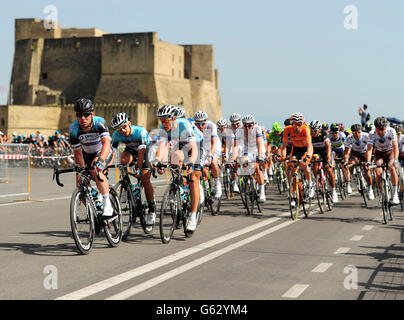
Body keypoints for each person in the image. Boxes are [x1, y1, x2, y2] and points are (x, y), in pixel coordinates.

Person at [154, 105, 203, 232]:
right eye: (161, 120)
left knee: (193, 178)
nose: (163, 123)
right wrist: (158, 162)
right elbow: (163, 148)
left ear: (174, 118)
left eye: (166, 120)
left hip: (195, 144)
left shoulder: (184, 125)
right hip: (179, 144)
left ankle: (193, 215)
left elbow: (194, 149)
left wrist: (191, 163)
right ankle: (177, 188)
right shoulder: (162, 128)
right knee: (174, 159)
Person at [69, 98, 115, 217]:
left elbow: (106, 144)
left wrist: (100, 160)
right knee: (80, 182)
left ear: (92, 114)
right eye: (79, 115)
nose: (83, 118)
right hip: (86, 154)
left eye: (86, 114)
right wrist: (81, 170)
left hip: (103, 151)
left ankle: (107, 204)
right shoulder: (74, 130)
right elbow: (78, 153)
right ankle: (94, 208)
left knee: (96, 169)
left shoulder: (99, 123)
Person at [110, 112, 156, 226]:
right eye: (119, 130)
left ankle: (152, 209)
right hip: (130, 150)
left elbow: (141, 153)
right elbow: (114, 153)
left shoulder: (140, 132)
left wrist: (139, 170)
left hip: (145, 151)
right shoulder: (117, 136)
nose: (123, 131)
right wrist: (106, 165)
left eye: (124, 127)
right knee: (123, 161)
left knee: (145, 178)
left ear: (129, 123)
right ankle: (126, 186)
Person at [280, 113, 314, 203]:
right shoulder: (287, 130)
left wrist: (307, 156)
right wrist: (283, 157)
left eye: (300, 124)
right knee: (291, 167)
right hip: (295, 149)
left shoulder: (305, 129)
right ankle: (294, 192)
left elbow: (310, 145)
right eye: (295, 124)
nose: (297, 127)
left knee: (304, 165)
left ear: (302, 123)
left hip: (305, 149)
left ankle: (310, 184)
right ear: (292, 124)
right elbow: (284, 146)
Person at [232, 114, 266, 203]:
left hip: (257, 148)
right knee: (242, 161)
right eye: (245, 125)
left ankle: (262, 192)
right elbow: (235, 146)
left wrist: (260, 157)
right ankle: (241, 181)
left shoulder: (257, 129)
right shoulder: (239, 130)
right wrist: (234, 158)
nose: (247, 127)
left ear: (253, 124)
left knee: (257, 168)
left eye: (249, 125)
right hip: (247, 149)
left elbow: (259, 144)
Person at [367, 116, 400, 204]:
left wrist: (396, 160)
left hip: (390, 152)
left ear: (386, 127)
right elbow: (369, 149)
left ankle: (395, 194)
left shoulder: (391, 131)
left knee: (392, 168)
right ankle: (381, 193)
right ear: (375, 128)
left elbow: (395, 147)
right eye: (379, 129)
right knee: (377, 172)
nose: (381, 131)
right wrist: (368, 161)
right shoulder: (371, 133)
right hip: (379, 153)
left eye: (383, 129)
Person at [194, 111, 222, 198]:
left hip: (214, 145)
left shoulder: (211, 126)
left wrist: (210, 154)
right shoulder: (193, 127)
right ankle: (206, 187)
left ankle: (217, 183)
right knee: (203, 168)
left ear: (206, 121)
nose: (200, 126)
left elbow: (213, 143)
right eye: (198, 123)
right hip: (203, 147)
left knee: (213, 162)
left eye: (203, 123)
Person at [309, 120, 338, 203]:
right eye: (312, 130)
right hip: (316, 152)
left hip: (325, 151)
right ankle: (316, 180)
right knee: (314, 160)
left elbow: (328, 146)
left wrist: (329, 157)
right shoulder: (309, 135)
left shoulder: (323, 134)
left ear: (319, 130)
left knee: (329, 170)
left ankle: (333, 191)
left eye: (315, 130)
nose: (313, 132)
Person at [343, 124, 373, 198]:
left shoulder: (366, 136)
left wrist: (369, 160)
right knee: (351, 164)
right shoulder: (349, 138)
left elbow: (370, 148)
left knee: (367, 169)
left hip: (364, 153)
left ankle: (370, 189)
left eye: (358, 132)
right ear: (352, 132)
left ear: (361, 131)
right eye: (354, 132)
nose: (357, 134)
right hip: (355, 153)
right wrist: (346, 161)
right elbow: (346, 152)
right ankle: (353, 177)